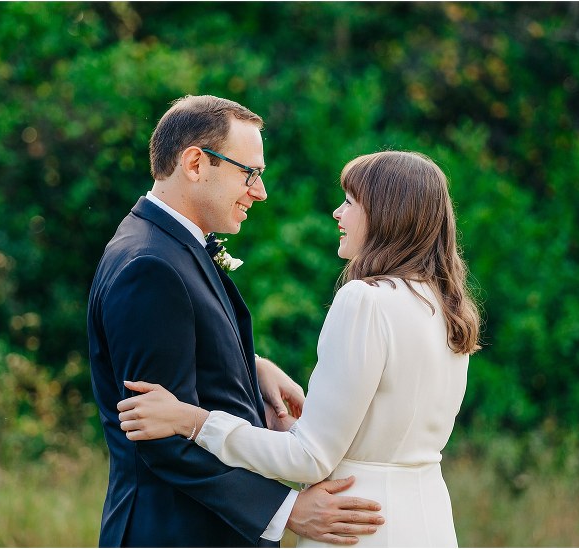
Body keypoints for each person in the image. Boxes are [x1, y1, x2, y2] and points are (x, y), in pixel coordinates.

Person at [116, 150, 482, 547]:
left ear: (387, 213)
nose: (337, 214)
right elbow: (379, 440)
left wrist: (193, 420)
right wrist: (288, 426)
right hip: (427, 523)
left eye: (350, 202)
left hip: (356, 528)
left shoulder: (365, 301)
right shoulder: (446, 307)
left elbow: (309, 459)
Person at [87, 94, 384, 548]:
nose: (259, 192)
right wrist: (287, 511)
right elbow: (157, 435)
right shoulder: (148, 264)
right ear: (195, 163)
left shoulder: (172, 245)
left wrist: (252, 366)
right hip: (174, 532)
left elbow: (183, 352)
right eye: (250, 173)